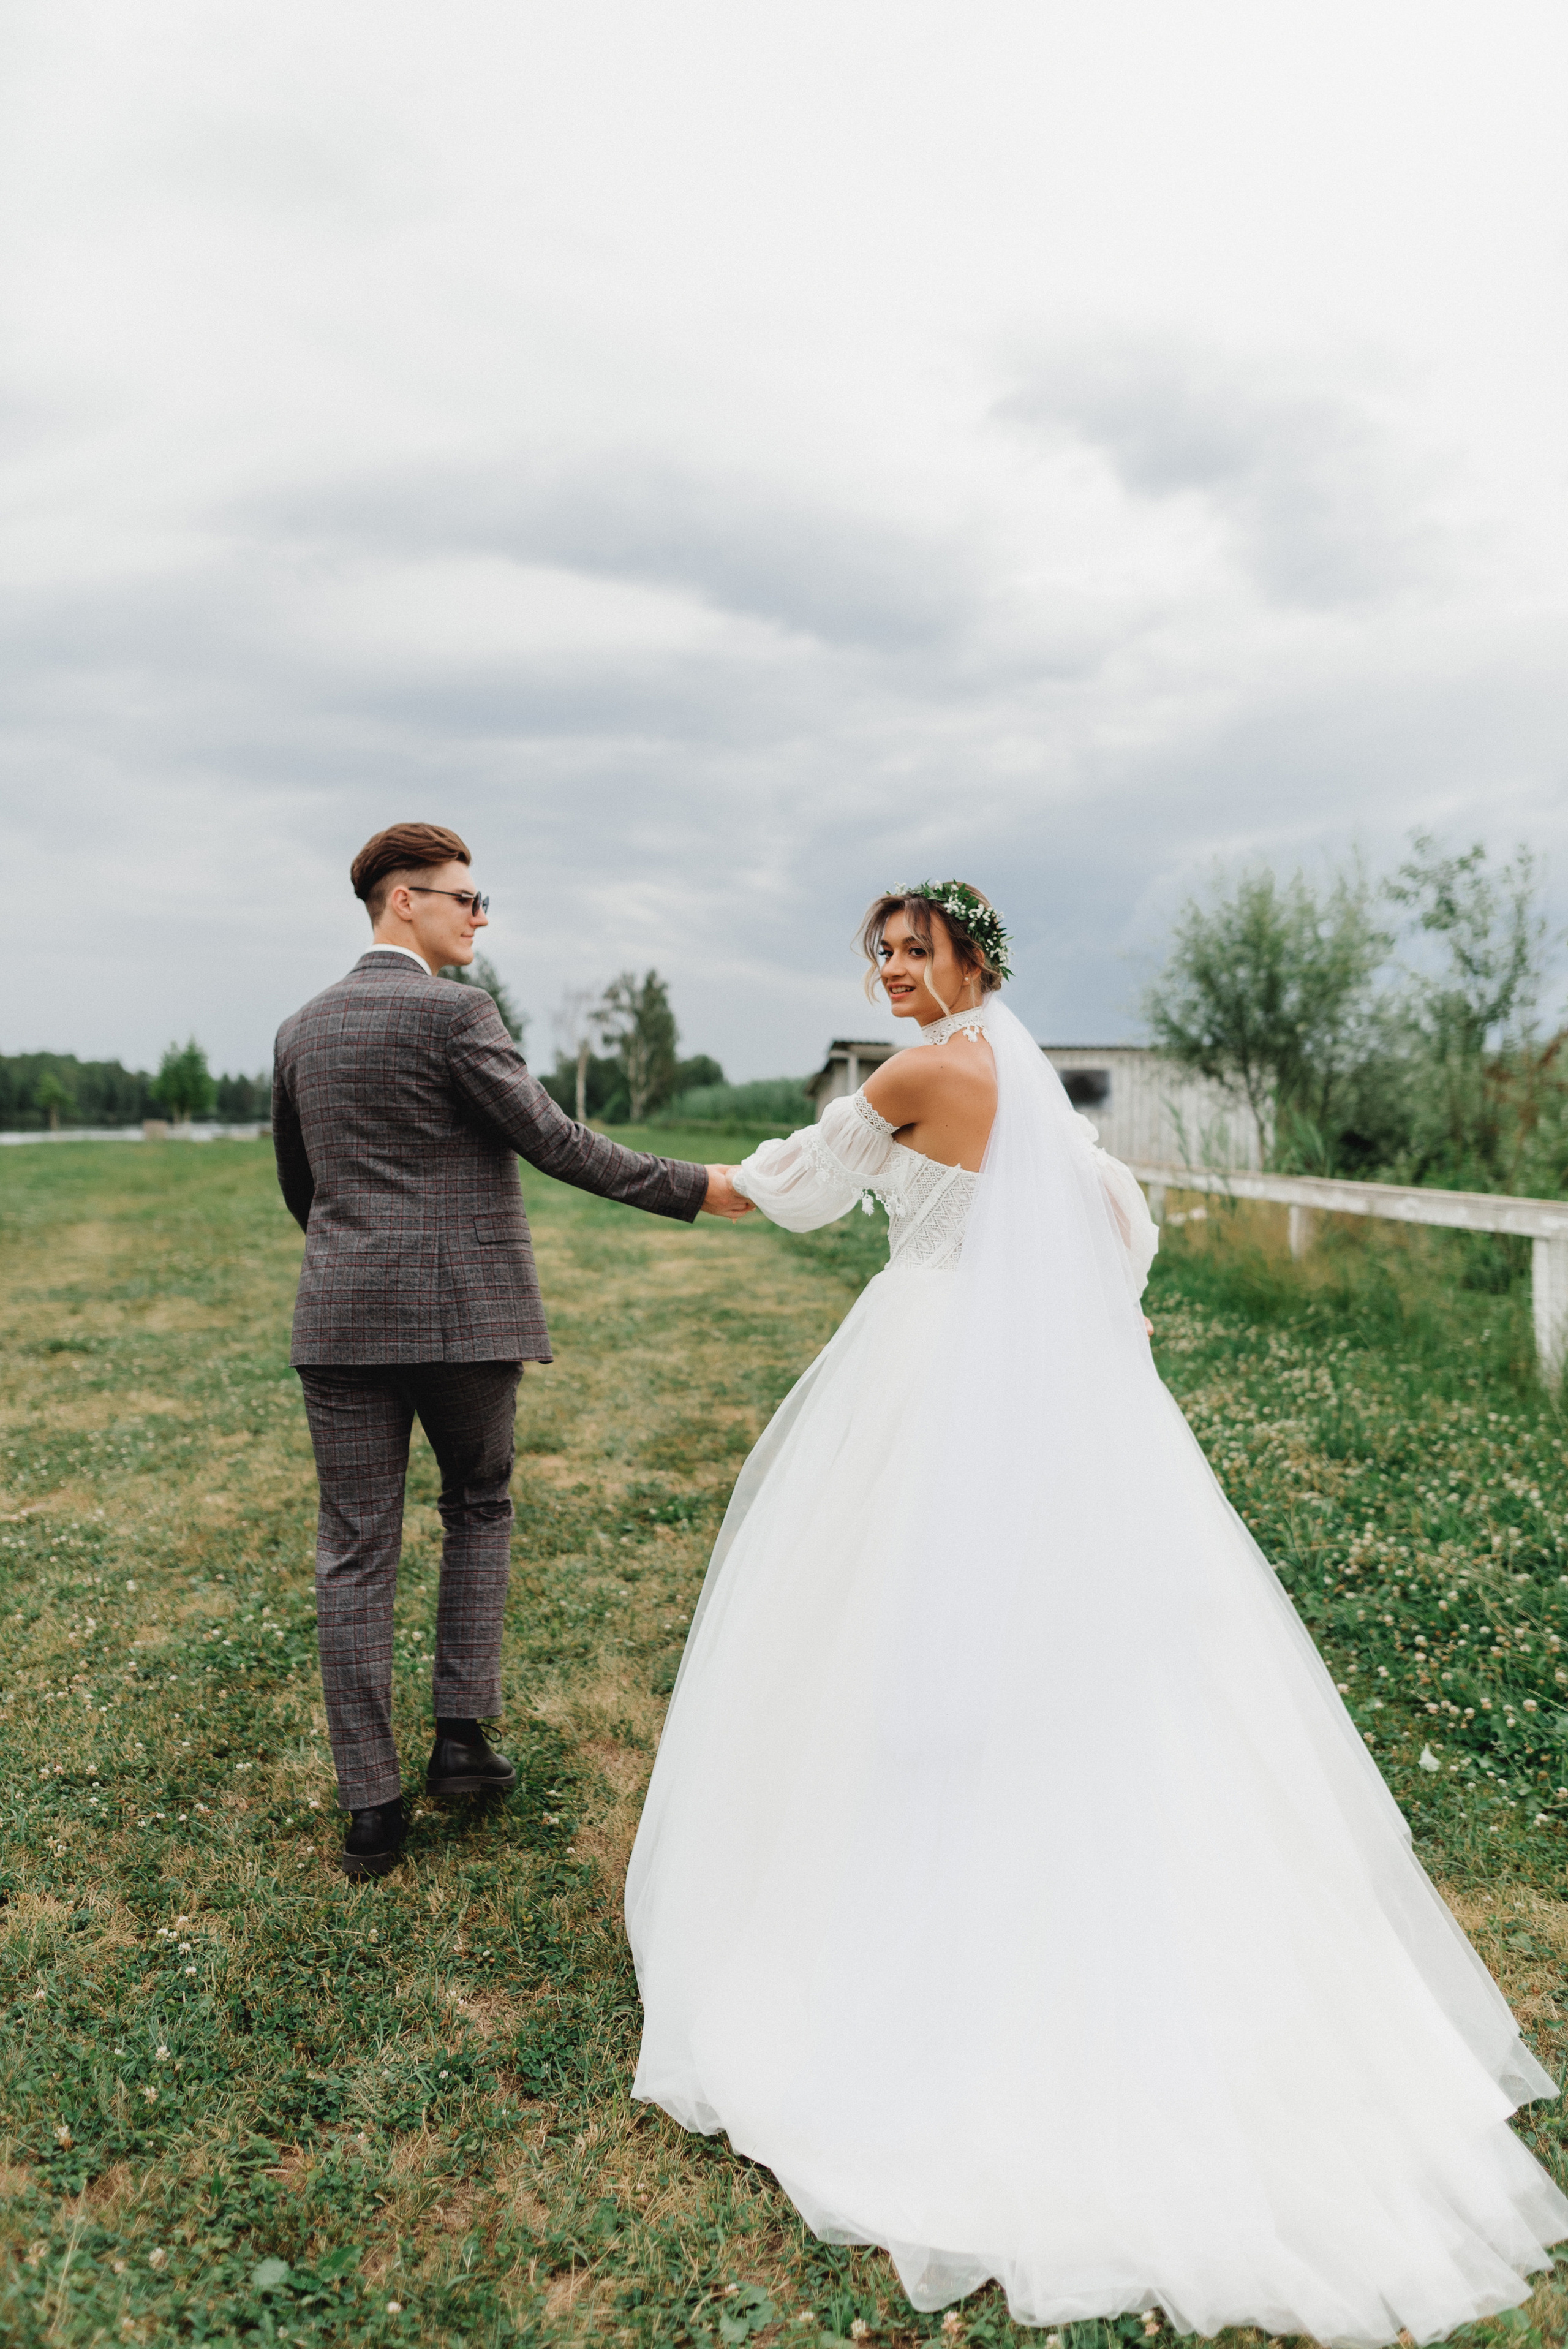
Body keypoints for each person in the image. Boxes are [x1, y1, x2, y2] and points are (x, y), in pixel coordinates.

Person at [625, 881, 1568, 2343]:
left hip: (929, 1370)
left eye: (911, 949)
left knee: (882, 1622)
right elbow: (1121, 1225)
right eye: (876, 950)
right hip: (1026, 1388)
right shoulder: (1017, 1067)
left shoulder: (919, 1071)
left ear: (969, 959)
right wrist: (1077, 1321)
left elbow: (795, 1189)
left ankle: (891, 1886)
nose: (889, 969)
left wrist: (629, 1173)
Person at [272, 822, 751, 1879]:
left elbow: (302, 1189)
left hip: (340, 1321)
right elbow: (554, 1138)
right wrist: (694, 1185)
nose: (480, 918)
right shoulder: (455, 1013)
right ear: (405, 901)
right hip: (463, 1321)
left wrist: (361, 1255)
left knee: (354, 1549)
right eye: (466, 899)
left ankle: (371, 1809)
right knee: (478, 1506)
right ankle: (461, 1739)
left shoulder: (300, 1028)